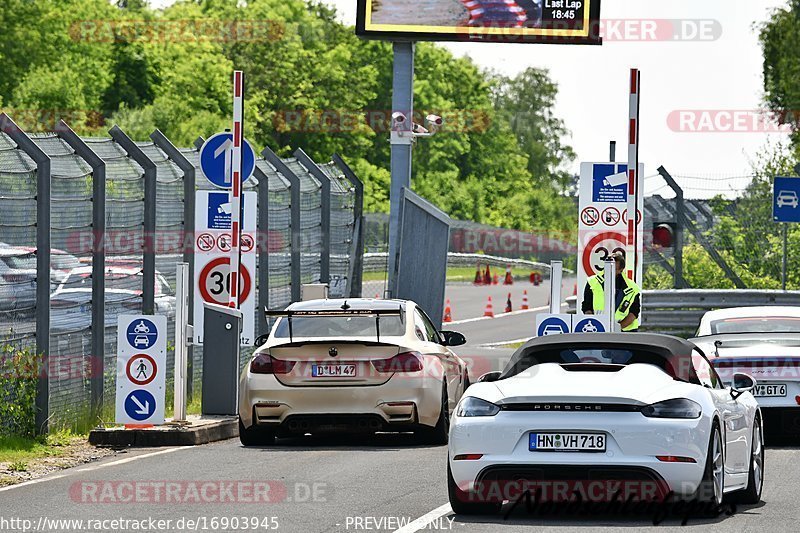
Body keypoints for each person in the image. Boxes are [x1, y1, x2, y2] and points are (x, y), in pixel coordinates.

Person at [581, 251, 641, 332]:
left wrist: (617, 329)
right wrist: (595, 324)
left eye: (613, 269)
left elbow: (634, 312)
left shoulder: (632, 288)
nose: (609, 271)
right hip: (599, 330)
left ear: (621, 270)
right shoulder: (592, 282)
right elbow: (587, 307)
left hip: (625, 331)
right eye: (607, 267)